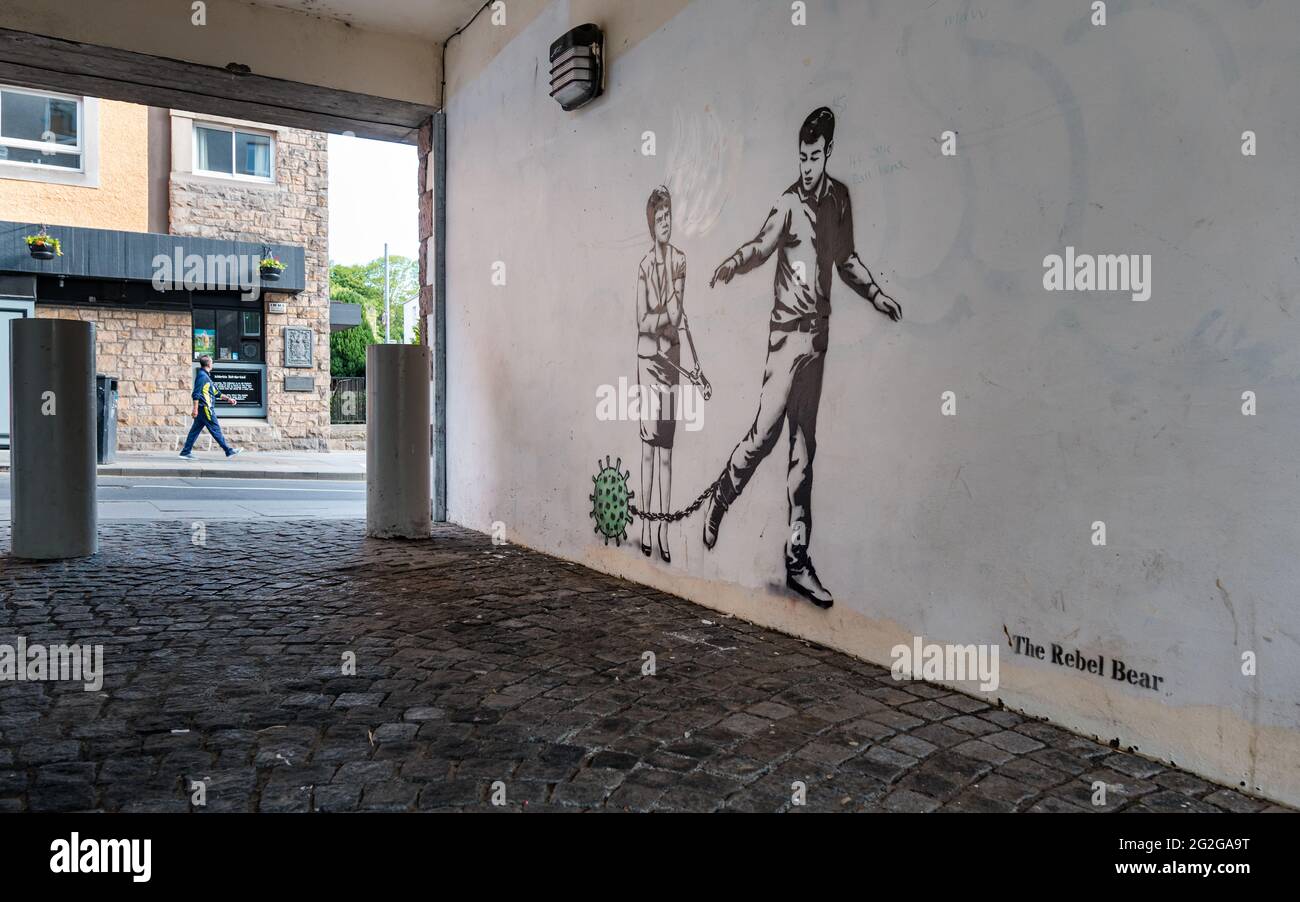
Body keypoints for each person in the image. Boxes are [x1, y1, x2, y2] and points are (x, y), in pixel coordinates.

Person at [702, 107, 901, 608]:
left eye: (814, 157)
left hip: (818, 342)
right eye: (801, 157)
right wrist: (732, 263)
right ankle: (722, 495)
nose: (806, 165)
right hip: (785, 340)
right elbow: (761, 245)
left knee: (803, 457)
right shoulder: (790, 202)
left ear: (828, 153)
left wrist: (876, 295)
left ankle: (797, 562)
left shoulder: (839, 199)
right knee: (763, 437)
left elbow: (847, 260)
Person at [634, 185, 698, 563]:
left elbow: (672, 316)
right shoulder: (643, 267)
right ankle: (644, 524)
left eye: (669, 217)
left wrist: (659, 319)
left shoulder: (680, 261)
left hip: (670, 362)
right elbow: (639, 321)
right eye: (659, 218)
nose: (666, 223)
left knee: (667, 452)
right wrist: (660, 319)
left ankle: (663, 528)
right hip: (646, 362)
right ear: (650, 223)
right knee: (647, 450)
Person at [179, 355, 242, 459]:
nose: (212, 364)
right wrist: (195, 409)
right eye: (212, 362)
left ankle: (185, 452)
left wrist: (228, 399)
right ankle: (228, 451)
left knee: (194, 431)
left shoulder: (206, 376)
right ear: (208, 364)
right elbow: (196, 393)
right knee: (215, 429)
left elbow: (216, 392)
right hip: (205, 409)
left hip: (203, 409)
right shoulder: (202, 376)